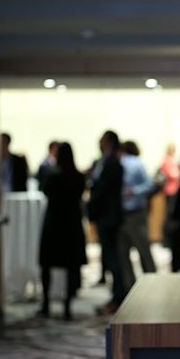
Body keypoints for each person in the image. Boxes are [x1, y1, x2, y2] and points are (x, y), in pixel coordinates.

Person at [38, 142, 87, 320]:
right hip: (72, 223)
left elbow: (45, 191)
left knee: (47, 264)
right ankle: (67, 305)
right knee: (71, 266)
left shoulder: (53, 175)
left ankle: (46, 304)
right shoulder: (78, 176)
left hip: (54, 223)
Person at [87, 130, 126, 315]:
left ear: (109, 142)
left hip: (109, 217)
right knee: (110, 257)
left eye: (102, 140)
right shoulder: (105, 162)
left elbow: (103, 189)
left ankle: (118, 297)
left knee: (113, 258)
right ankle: (116, 296)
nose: (99, 143)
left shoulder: (112, 163)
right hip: (106, 216)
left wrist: (91, 203)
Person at [118, 141, 157, 289]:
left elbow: (150, 184)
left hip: (135, 213)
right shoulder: (116, 163)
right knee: (123, 253)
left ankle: (152, 283)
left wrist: (133, 191)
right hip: (121, 214)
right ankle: (130, 287)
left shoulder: (136, 163)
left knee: (143, 249)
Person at [158, 142, 180, 247]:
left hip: (175, 190)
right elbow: (172, 174)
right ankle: (166, 240)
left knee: (171, 215)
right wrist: (178, 172)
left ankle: (170, 239)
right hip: (170, 190)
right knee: (169, 215)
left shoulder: (172, 159)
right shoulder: (166, 160)